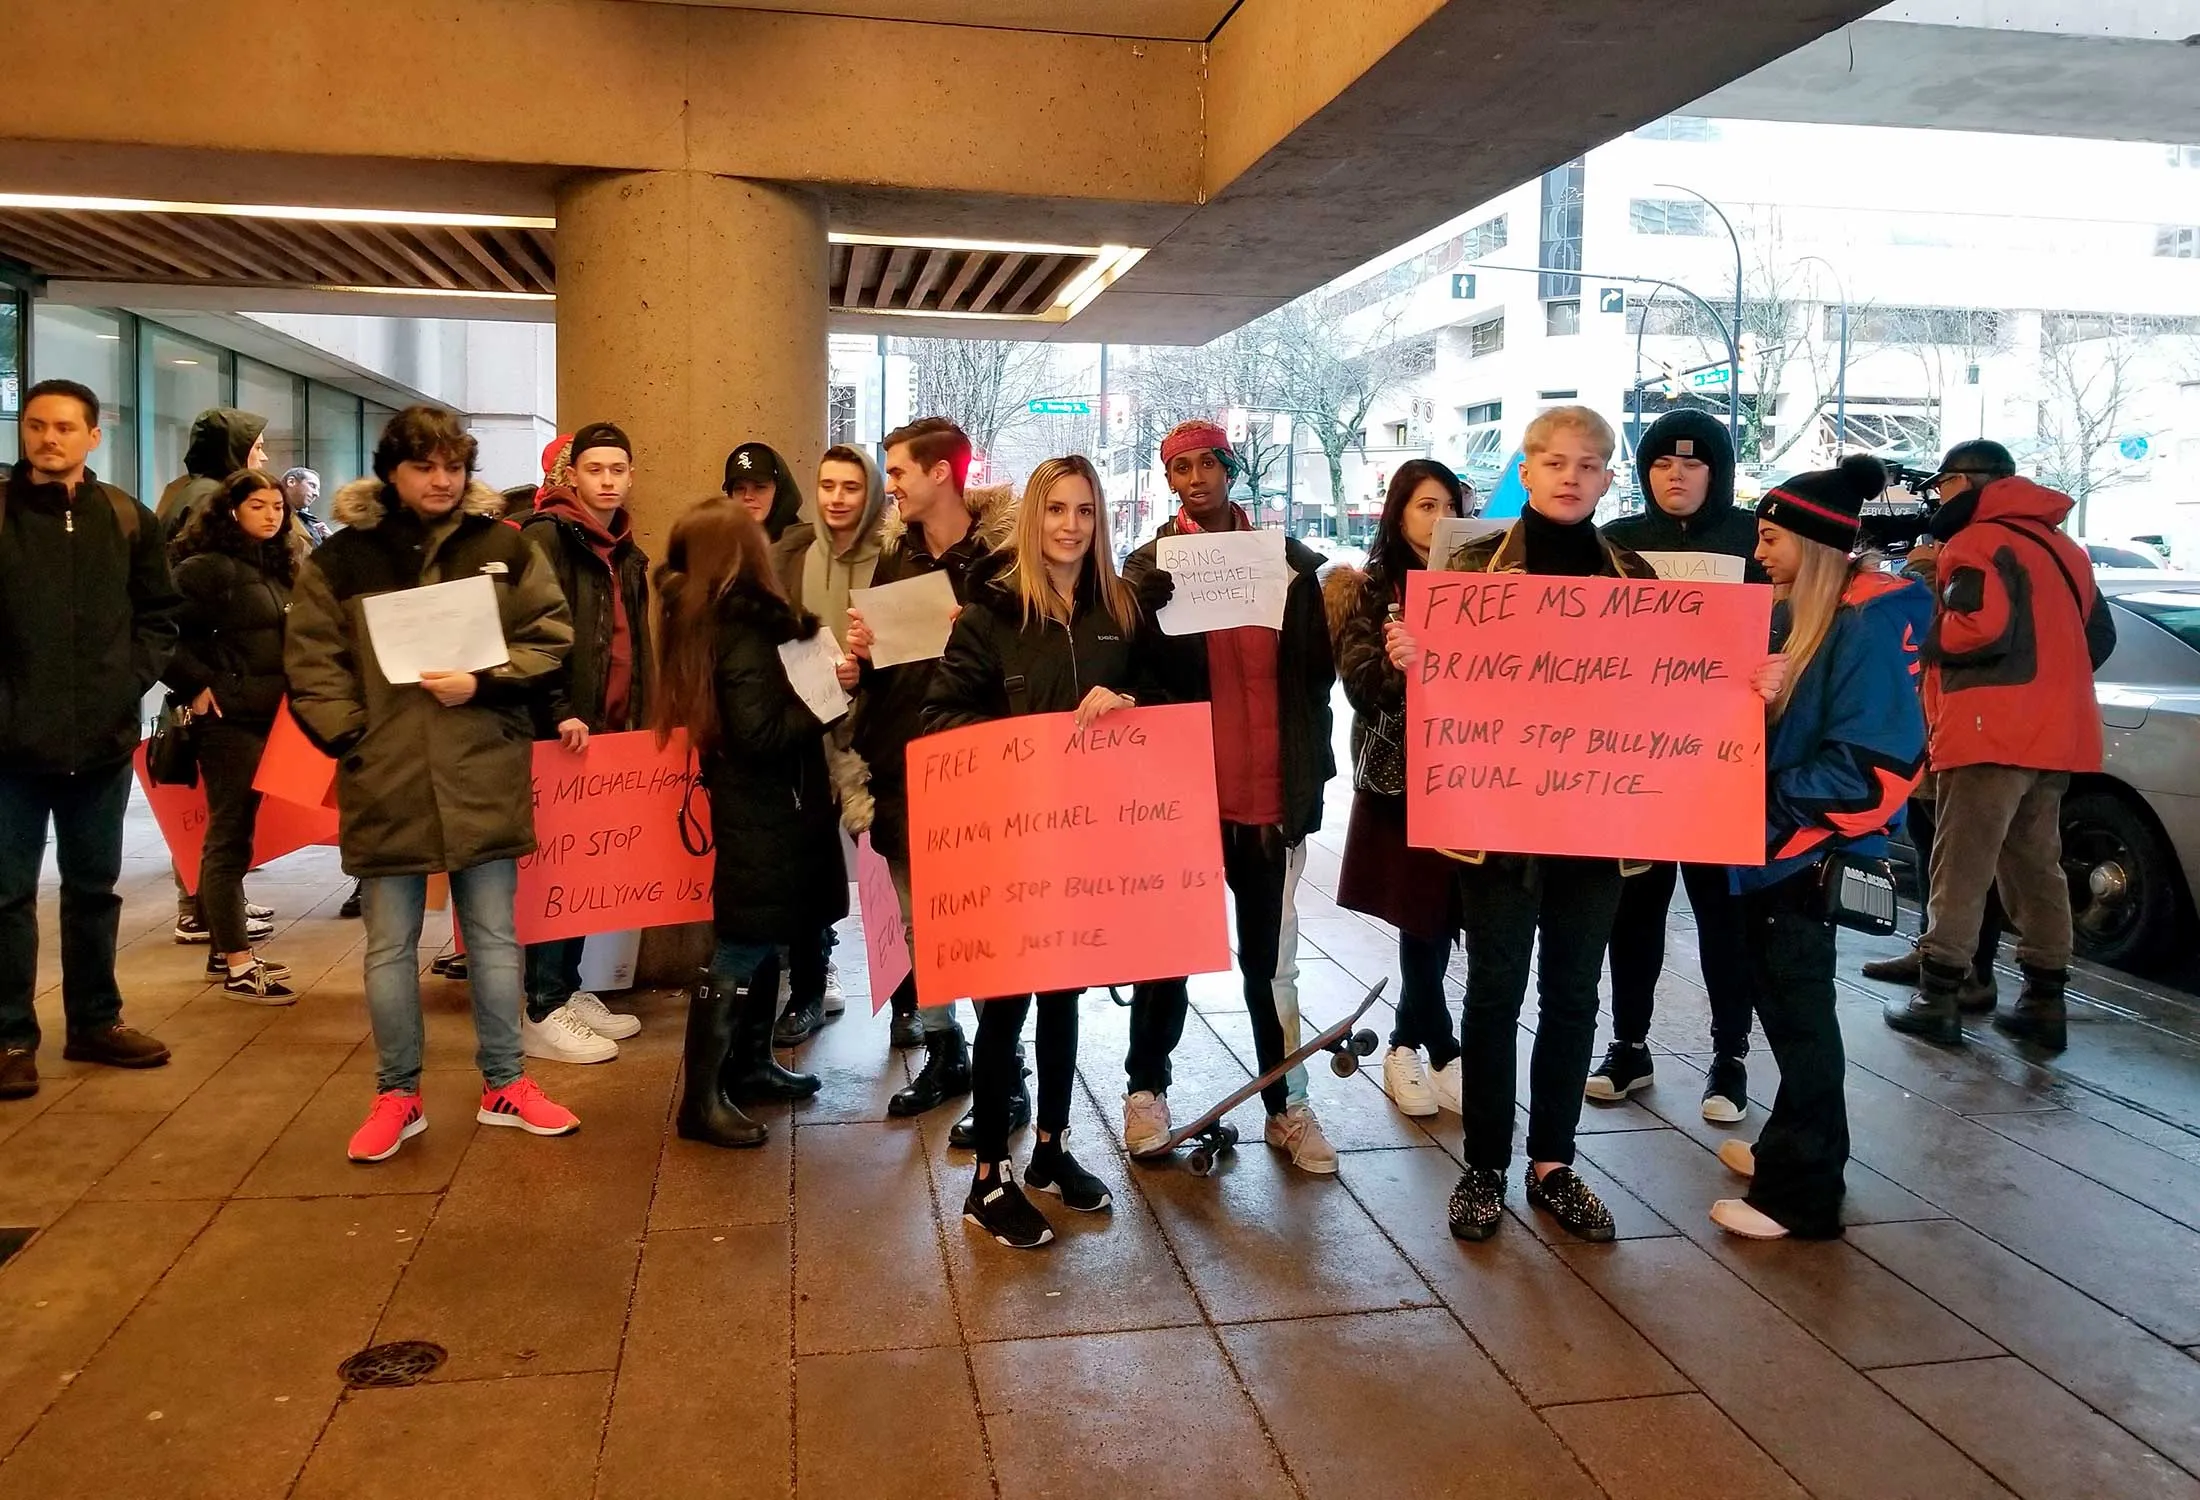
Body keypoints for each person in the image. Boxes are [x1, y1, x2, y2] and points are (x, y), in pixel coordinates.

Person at [285, 404, 580, 1162]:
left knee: (491, 938)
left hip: (480, 765)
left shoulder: (501, 548)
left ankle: (506, 1085)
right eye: (425, 466)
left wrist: (483, 682)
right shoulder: (342, 559)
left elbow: (550, 636)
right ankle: (397, 1095)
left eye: (453, 465)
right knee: (388, 947)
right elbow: (312, 660)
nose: (442, 480)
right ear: (393, 470)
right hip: (386, 776)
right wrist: (356, 736)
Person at [1410, 406, 1657, 1243]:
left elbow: (1676, 696)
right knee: (1492, 994)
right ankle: (1484, 1164)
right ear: (1526, 465)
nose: (1569, 477)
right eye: (1554, 461)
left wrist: (1748, 684)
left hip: (1598, 828)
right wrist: (1414, 663)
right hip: (1498, 823)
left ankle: (1553, 1164)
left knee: (1574, 999)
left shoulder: (1636, 581)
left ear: (1606, 478)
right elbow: (1421, 697)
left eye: (1588, 465)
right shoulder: (1473, 571)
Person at [923, 455, 1149, 1247]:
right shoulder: (989, 616)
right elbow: (939, 719)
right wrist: (1024, 741)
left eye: (1085, 511)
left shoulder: (1117, 612)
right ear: (1032, 517)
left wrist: (1127, 705)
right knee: (1006, 1005)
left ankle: (1050, 1148)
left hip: (1086, 845)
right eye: (1056, 509)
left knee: (1064, 999)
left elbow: (1157, 713)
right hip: (1012, 841)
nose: (1071, 526)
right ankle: (989, 1178)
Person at [1713, 456, 1929, 1239]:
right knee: (1790, 1011)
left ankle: (1802, 1194)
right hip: (1778, 849)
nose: (1759, 551)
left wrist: (1762, 801)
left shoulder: (1863, 626)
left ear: (1815, 543)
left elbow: (1877, 765)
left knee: (1803, 1020)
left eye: (1771, 537)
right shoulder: (1820, 620)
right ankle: (1790, 1147)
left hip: (1802, 854)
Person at [1119, 419, 1340, 1174]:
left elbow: (1315, 681)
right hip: (1184, 799)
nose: (1196, 478)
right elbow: (1131, 679)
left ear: (1231, 468)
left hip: (1270, 798)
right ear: (1169, 482)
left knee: (1272, 964)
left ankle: (1287, 1103)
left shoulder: (1285, 562)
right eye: (1180, 468)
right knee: (1165, 952)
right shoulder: (1149, 569)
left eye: (1208, 463)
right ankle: (1145, 1089)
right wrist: (1137, 608)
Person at [1884, 440, 2113, 1053]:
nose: (1937, 498)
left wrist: (1931, 612)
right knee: (2037, 864)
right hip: (2059, 731)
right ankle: (2044, 1000)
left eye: (1943, 485)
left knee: (1961, 863)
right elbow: (2099, 637)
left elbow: (1976, 628)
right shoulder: (2065, 549)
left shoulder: (1977, 541)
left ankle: (1939, 995)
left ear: (1968, 482)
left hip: (1989, 729)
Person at [0, 381, 179, 1099]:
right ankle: (11, 1036)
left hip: (100, 744)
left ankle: (95, 1023)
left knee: (93, 890)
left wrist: (124, 683)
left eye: (66, 427)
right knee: (7, 896)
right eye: (38, 426)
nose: (49, 438)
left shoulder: (126, 519)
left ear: (93, 437)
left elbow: (160, 614)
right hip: (8, 750)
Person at [1587, 410, 1763, 1122]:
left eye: (1692, 464)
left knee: (1725, 916)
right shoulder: (1618, 542)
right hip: (1637, 762)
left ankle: (1731, 1057)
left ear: (1717, 472)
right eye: (1661, 464)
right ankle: (1629, 1043)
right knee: (1634, 911)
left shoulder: (1754, 538)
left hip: (1724, 759)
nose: (1676, 476)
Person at [654, 497, 844, 1149]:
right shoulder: (743, 629)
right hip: (766, 809)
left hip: (762, 805)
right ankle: (701, 1101)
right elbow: (762, 733)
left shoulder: (709, 619)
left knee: (763, 936)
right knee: (741, 943)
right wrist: (825, 700)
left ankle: (751, 1064)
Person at [845, 418, 1016, 1118]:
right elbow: (883, 665)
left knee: (986, 925)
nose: (893, 487)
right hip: (901, 757)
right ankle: (946, 1051)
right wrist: (858, 658)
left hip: (978, 766)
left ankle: (1007, 1068)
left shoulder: (1003, 560)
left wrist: (970, 628)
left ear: (942, 472)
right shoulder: (896, 558)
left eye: (900, 472)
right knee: (922, 920)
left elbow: (1027, 660)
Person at [1323, 459, 1467, 1119]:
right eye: (1425, 507)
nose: (1438, 521)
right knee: (1421, 910)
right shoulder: (1373, 587)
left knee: (1451, 909)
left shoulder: (1483, 583)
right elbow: (1358, 686)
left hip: (1475, 775)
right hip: (1403, 776)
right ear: (1399, 513)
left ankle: (1420, 1041)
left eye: (1448, 507)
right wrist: (1394, 663)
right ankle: (1427, 1043)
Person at [514, 421, 651, 1064]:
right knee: (557, 871)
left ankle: (567, 990)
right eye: (594, 469)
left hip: (611, 734)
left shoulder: (624, 549)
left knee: (586, 867)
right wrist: (559, 708)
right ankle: (541, 1008)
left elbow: (632, 645)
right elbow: (532, 632)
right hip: (563, 732)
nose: (606, 480)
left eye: (617, 469)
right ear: (572, 475)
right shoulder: (548, 536)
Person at [767, 443, 892, 1045]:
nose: (838, 499)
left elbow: (909, 650)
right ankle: (811, 991)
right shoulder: (793, 559)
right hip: (808, 734)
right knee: (810, 869)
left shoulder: (894, 558)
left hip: (874, 731)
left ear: (870, 496)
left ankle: (911, 1005)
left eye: (851, 487)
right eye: (828, 486)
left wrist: (864, 671)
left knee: (890, 870)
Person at [166, 468, 302, 1002]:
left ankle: (225, 951)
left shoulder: (277, 568)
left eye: (277, 506)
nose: (271, 515)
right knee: (229, 837)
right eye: (258, 506)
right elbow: (162, 636)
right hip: (229, 723)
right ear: (231, 512)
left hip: (269, 718)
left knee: (240, 835)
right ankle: (240, 966)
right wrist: (197, 685)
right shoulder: (206, 571)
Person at [158, 407, 275, 944]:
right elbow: (171, 619)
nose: (265, 458)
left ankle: (217, 908)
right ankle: (208, 917)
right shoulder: (204, 508)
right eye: (257, 449)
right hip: (225, 701)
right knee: (224, 822)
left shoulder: (191, 492)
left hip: (240, 693)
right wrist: (198, 683)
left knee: (227, 821)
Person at [155, 407, 269, 536]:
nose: (264, 457)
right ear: (234, 451)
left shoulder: (200, 489)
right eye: (258, 448)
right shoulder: (210, 498)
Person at [724, 440, 806, 544]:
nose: (747, 496)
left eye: (759, 487)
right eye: (739, 489)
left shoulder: (802, 549)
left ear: (779, 492)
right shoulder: (721, 544)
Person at [281, 466, 332, 548]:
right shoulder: (276, 517)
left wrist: (330, 541)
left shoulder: (312, 522)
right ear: (291, 482)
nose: (316, 494)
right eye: (312, 485)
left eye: (318, 489)